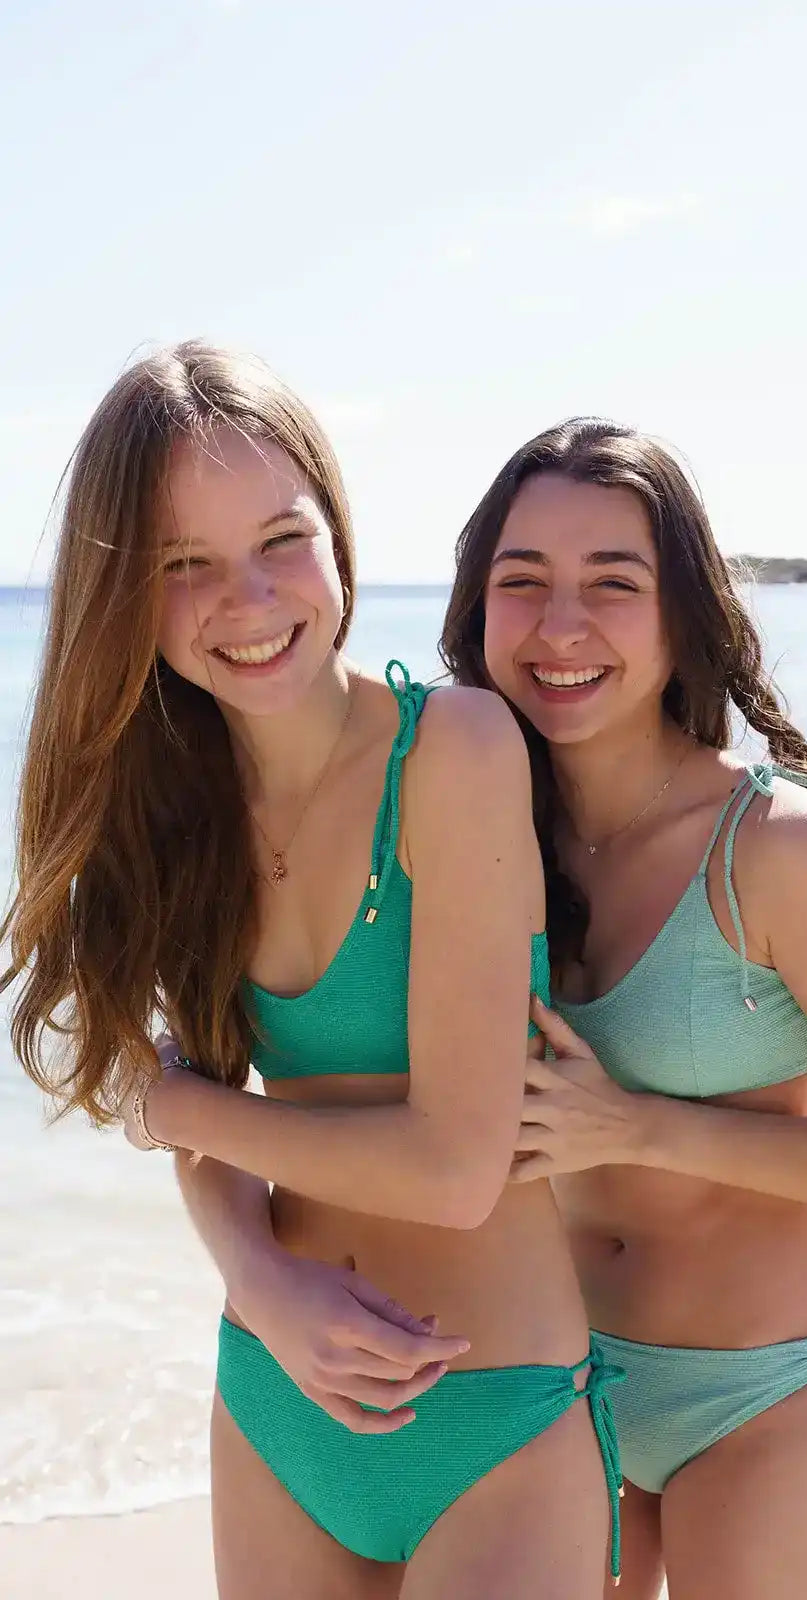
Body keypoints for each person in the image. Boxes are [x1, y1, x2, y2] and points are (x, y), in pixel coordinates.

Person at [0, 352, 622, 1600]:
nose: (247, 597)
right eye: (184, 563)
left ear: (336, 536)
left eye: (280, 539)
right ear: (127, 593)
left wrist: (180, 1108)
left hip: (491, 1425)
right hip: (272, 1392)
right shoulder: (175, 804)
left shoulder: (452, 747)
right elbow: (204, 1118)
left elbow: (457, 1167)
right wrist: (255, 1276)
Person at [437, 417, 807, 1600]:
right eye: (519, 581)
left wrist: (637, 1127)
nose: (559, 624)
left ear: (681, 615)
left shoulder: (780, 851)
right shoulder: (475, 835)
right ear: (476, 609)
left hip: (768, 1391)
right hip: (555, 1382)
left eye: (611, 585)